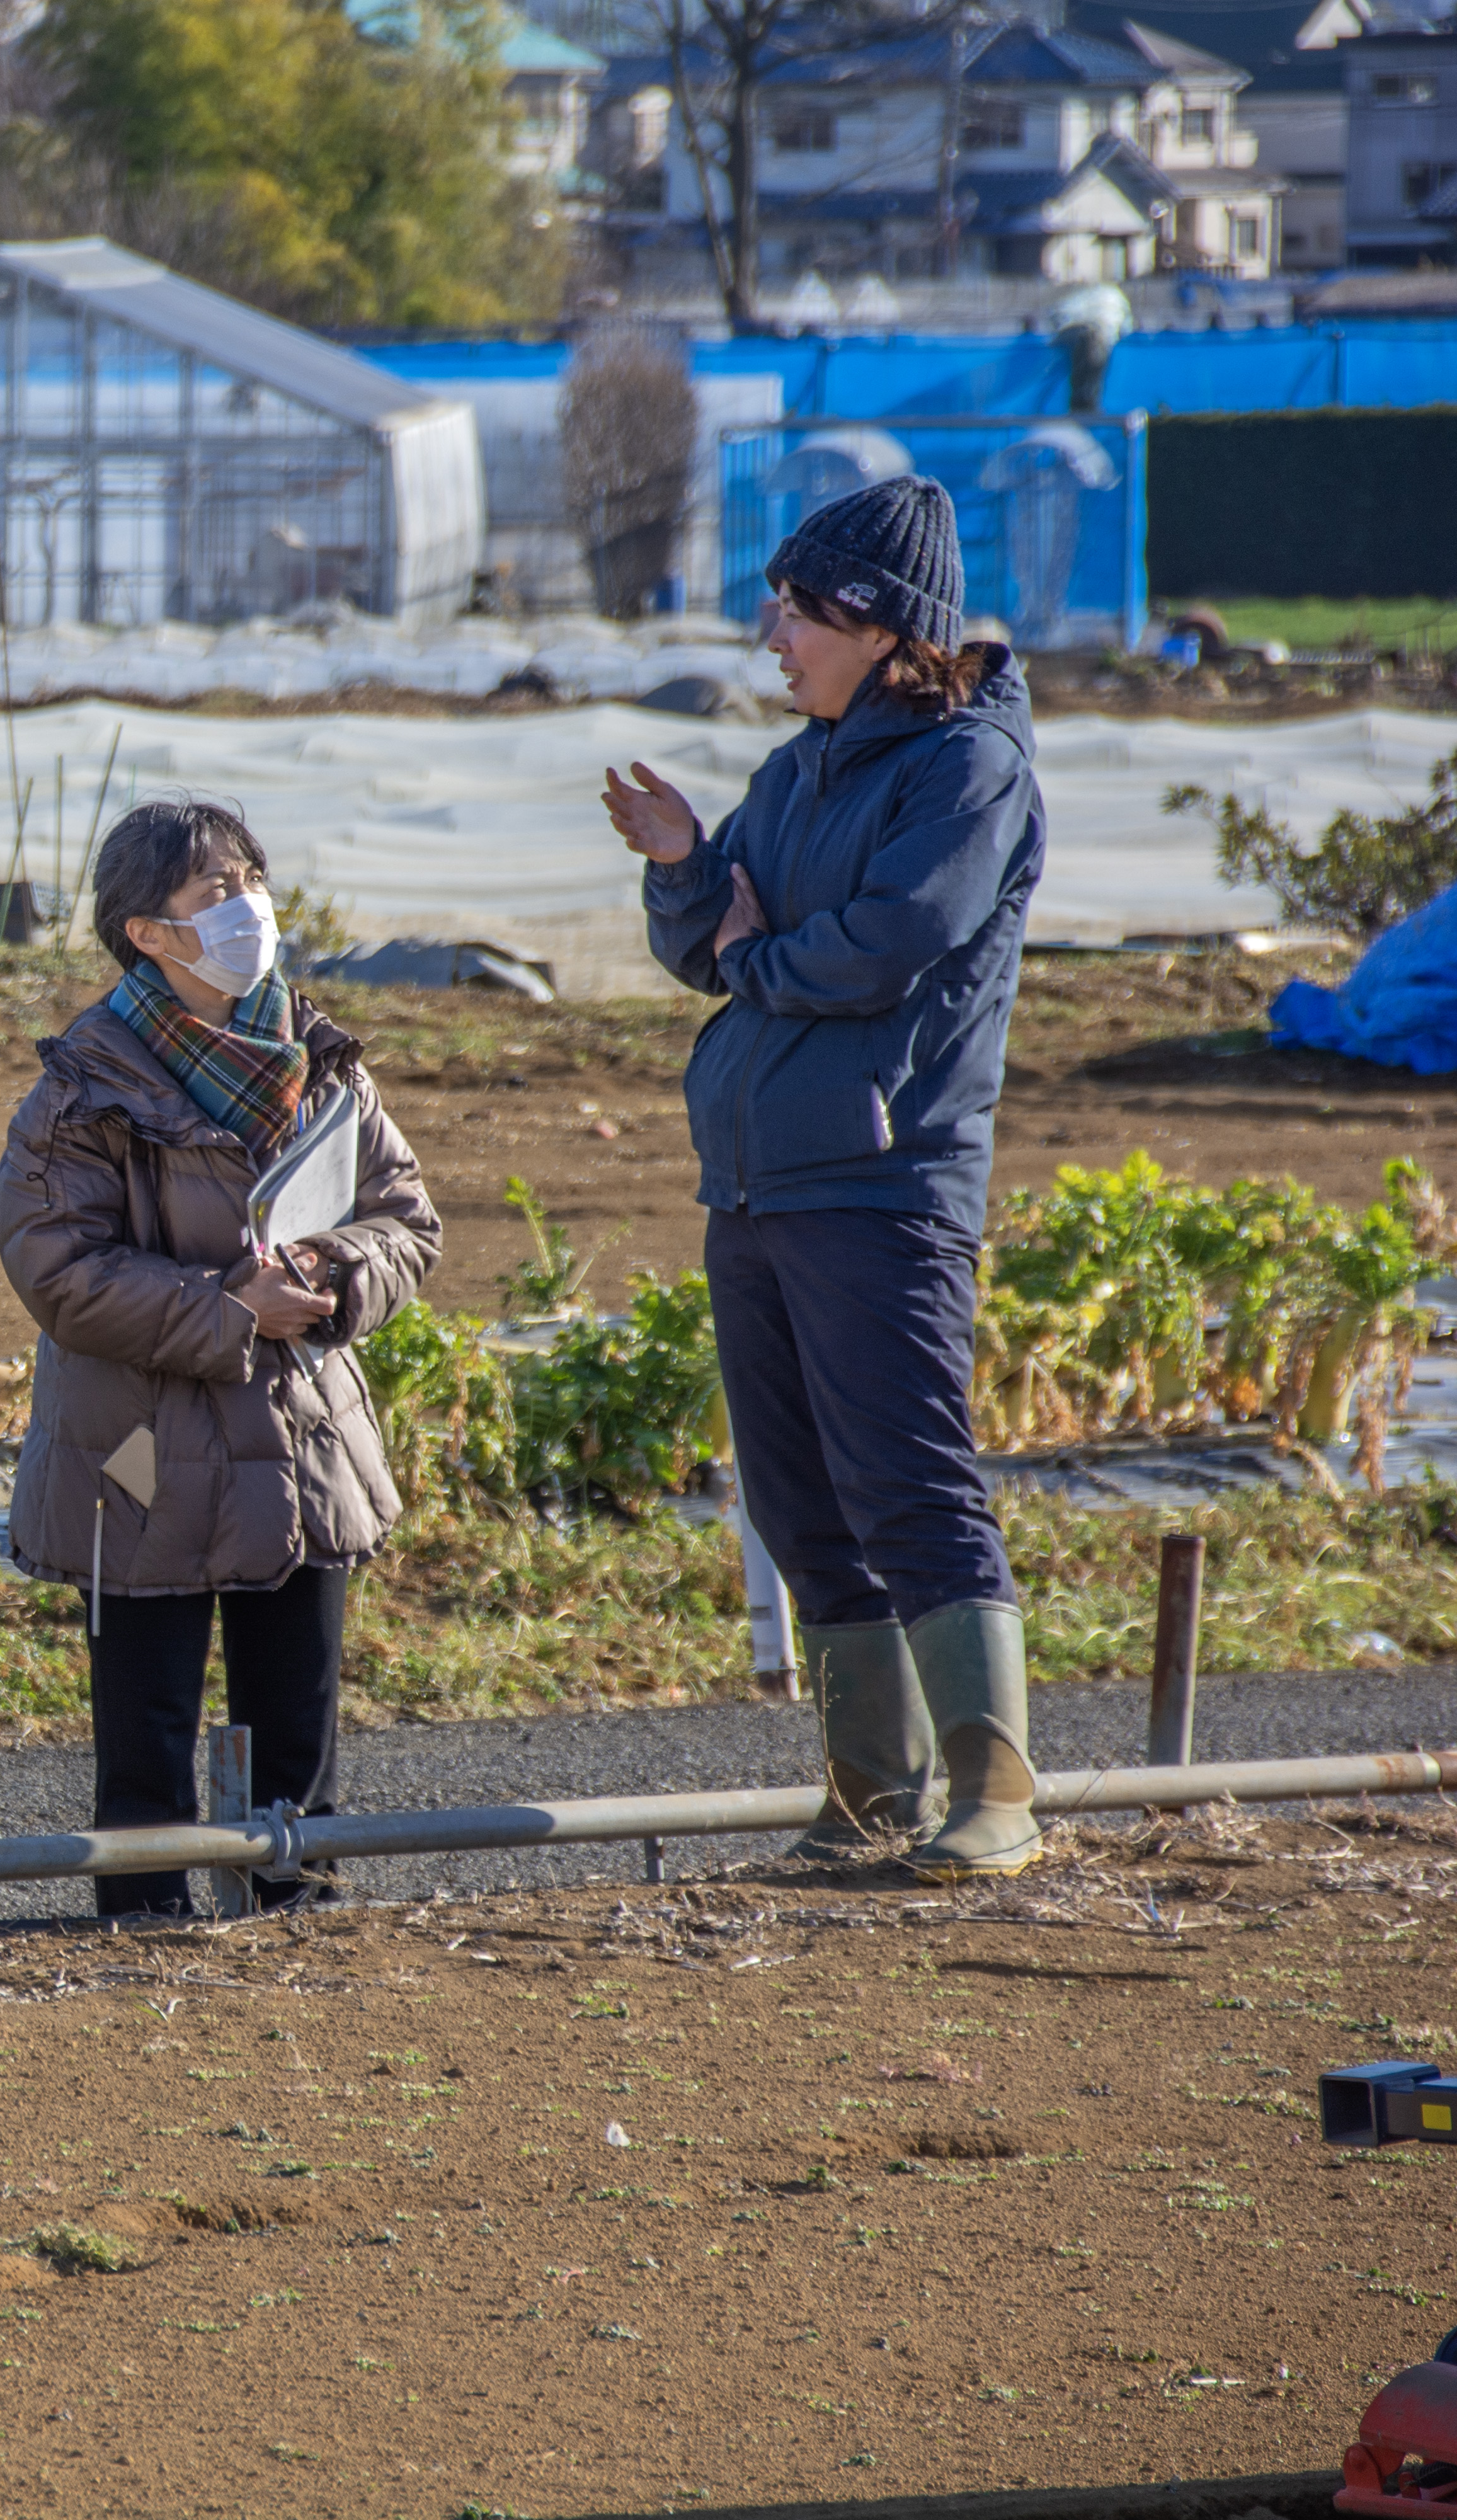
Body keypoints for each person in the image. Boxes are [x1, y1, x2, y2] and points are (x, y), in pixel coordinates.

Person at [600, 474, 1046, 1881]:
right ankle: (869, 1792)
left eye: (796, 609)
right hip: (757, 1182)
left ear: (873, 620)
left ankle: (998, 1791)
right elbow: (711, 940)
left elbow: (881, 943)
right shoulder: (801, 768)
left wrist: (748, 953)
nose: (772, 634)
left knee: (908, 1479)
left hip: (883, 1179)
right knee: (800, 1499)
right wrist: (687, 868)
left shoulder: (966, 771)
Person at [0, 800, 440, 1916]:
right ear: (147, 934)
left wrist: (334, 1280)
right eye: (213, 893)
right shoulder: (82, 1091)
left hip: (300, 1441)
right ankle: (142, 1940)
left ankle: (298, 1928)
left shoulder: (322, 1058)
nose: (248, 910)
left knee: (301, 1726)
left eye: (251, 880)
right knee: (145, 1739)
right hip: (142, 1456)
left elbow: (406, 1218)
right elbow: (60, 1271)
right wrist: (231, 1307)